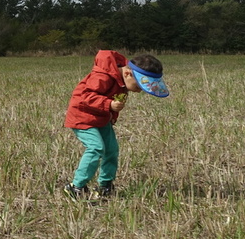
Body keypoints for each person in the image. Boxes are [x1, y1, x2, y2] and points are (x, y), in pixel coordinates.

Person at [63, 51, 168, 201]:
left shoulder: (124, 83)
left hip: (102, 117)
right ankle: (76, 187)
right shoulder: (103, 76)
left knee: (111, 149)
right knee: (96, 148)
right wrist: (109, 104)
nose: (139, 91)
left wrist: (112, 114)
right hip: (82, 117)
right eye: (139, 86)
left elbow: (117, 103)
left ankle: (105, 185)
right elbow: (84, 97)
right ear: (128, 74)